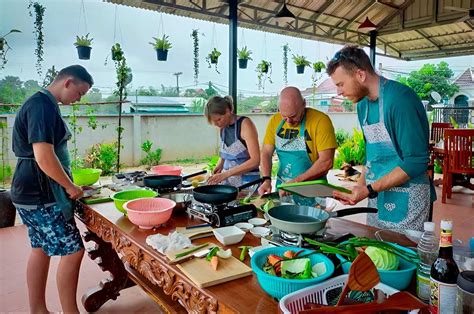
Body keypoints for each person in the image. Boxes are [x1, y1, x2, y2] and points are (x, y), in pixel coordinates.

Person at [11, 65, 93, 313]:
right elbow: (44, 156)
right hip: (41, 193)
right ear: (67, 82)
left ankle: (38, 310)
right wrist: (70, 187)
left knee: (40, 248)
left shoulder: (42, 104)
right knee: (73, 251)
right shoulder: (43, 106)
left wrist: (72, 182)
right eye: (79, 93)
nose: (78, 100)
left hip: (28, 191)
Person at [327, 45, 434, 231]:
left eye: (341, 84)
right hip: (377, 195)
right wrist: (359, 188)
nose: (339, 92)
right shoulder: (362, 106)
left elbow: (416, 161)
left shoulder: (400, 99)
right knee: (377, 253)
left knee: (403, 256)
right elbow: (372, 156)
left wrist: (369, 189)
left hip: (409, 197)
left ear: (360, 75)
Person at [258, 86, 337, 201]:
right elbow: (266, 152)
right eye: (284, 116)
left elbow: (326, 162)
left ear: (303, 104)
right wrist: (266, 179)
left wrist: (295, 182)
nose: (288, 122)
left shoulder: (320, 121)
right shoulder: (275, 121)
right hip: (283, 188)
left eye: (293, 116)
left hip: (312, 191)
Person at [205, 95, 261, 186]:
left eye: (219, 119)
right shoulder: (223, 128)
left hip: (247, 183)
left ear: (228, 111)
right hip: (229, 181)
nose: (217, 124)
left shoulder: (245, 124)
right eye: (214, 122)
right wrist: (220, 165)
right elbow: (226, 153)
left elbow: (255, 161)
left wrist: (226, 174)